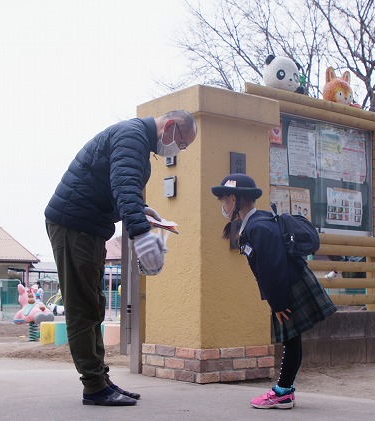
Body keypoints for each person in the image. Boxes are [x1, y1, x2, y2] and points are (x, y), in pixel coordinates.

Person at [45, 110, 197, 407]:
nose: (179, 150)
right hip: (74, 224)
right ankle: (94, 386)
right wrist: (141, 235)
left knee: (94, 304)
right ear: (169, 127)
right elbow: (124, 186)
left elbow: (118, 187)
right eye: (182, 143)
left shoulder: (136, 140)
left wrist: (144, 211)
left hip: (86, 226)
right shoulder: (132, 137)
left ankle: (100, 379)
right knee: (83, 308)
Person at [211, 174, 336, 410]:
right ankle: (284, 390)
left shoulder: (258, 227)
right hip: (289, 284)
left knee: (291, 339)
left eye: (224, 200)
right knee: (292, 339)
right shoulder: (256, 223)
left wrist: (277, 303)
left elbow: (273, 267)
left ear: (235, 199)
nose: (223, 206)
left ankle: (283, 392)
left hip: (288, 286)